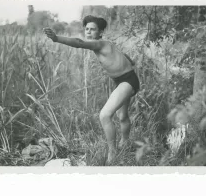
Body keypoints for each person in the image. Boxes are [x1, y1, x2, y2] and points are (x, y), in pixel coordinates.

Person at [43, 15, 140, 164]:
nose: (88, 32)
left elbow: (78, 42)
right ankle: (125, 142)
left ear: (100, 32)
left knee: (104, 115)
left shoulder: (99, 44)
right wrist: (129, 61)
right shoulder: (105, 44)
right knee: (122, 116)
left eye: (92, 29)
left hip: (128, 80)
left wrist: (57, 39)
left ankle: (112, 154)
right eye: (87, 29)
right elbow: (120, 54)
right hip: (122, 80)